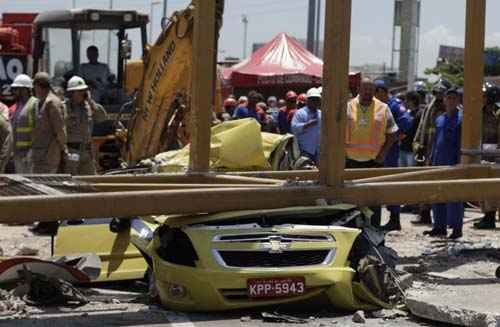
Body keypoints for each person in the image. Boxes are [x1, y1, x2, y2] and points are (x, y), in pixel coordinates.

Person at [346, 78, 399, 228]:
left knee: (374, 200)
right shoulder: (347, 107)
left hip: (374, 162)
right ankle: (354, 235)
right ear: (358, 89)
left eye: (371, 89)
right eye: (365, 89)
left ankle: (374, 234)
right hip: (350, 161)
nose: (368, 92)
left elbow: (392, 133)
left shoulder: (383, 108)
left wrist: (383, 154)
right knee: (351, 201)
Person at [425, 88, 464, 239]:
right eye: (449, 98)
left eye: (454, 98)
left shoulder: (462, 119)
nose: (451, 101)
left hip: (454, 162)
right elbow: (435, 141)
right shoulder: (440, 119)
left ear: (458, 100)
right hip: (438, 161)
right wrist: (430, 159)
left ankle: (456, 228)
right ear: (445, 100)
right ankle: (439, 227)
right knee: (437, 194)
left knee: (455, 196)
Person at [374, 80, 413, 231]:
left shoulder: (394, 105)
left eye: (376, 93)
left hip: (390, 151)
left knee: (390, 183)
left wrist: (395, 136)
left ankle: (395, 218)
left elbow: (406, 122)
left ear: (382, 92)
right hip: (378, 150)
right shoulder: (378, 106)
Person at [411, 80, 449, 225]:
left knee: (442, 184)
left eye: (441, 92)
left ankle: (442, 218)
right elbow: (422, 127)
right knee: (424, 182)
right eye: (436, 92)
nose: (438, 96)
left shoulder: (452, 109)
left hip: (443, 151)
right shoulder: (429, 108)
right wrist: (419, 145)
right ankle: (424, 213)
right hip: (427, 151)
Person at [64, 76, 107, 175]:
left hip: (87, 152)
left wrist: (91, 102)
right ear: (71, 93)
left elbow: (102, 118)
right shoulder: (64, 108)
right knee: (71, 181)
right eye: (78, 91)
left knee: (90, 181)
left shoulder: (88, 106)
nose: (82, 93)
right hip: (72, 151)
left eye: (83, 90)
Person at [31, 72, 68, 174]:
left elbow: (60, 130)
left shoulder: (52, 103)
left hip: (49, 154)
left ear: (39, 86)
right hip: (39, 153)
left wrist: (63, 149)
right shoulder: (40, 102)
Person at [474, 85, 500, 229]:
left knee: (492, 187)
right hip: (483, 152)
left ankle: (490, 217)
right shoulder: (480, 113)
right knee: (483, 185)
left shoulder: (497, 113)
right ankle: (487, 215)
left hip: (496, 154)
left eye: (484, 96)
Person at [10, 74, 38, 174]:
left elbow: (37, 128)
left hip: (29, 153)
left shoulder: (34, 104)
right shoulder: (18, 106)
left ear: (25, 90)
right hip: (18, 153)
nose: (14, 92)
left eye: (17, 89)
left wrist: (32, 150)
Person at [291, 87, 322, 164]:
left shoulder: (320, 113)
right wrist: (306, 125)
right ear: (307, 100)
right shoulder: (300, 113)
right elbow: (293, 128)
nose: (315, 101)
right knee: (306, 173)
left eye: (317, 99)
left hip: (318, 151)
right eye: (312, 99)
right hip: (304, 150)